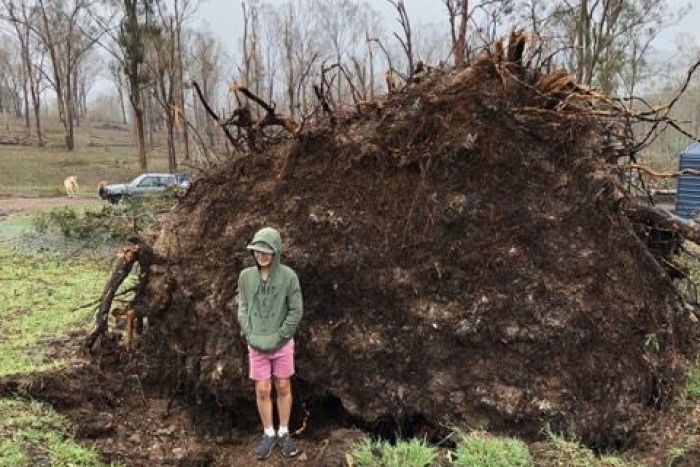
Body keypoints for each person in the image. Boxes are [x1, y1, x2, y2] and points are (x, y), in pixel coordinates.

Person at [237, 227, 303, 460]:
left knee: (283, 385)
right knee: (263, 388)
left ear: (276, 252)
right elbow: (243, 306)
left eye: (266, 251)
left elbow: (296, 311)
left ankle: (284, 433)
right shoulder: (246, 276)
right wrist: (248, 332)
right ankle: (268, 433)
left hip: (282, 343)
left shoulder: (288, 276)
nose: (261, 255)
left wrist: (280, 336)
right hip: (256, 343)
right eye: (257, 251)